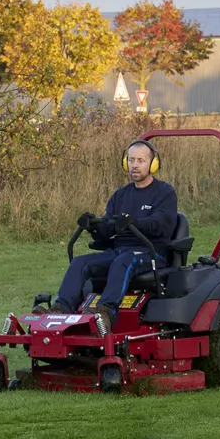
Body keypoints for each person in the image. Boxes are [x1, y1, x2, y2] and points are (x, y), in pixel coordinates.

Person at [47, 138, 178, 331]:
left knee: (124, 260)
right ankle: (61, 311)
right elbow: (107, 230)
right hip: (120, 251)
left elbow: (161, 224)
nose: (135, 165)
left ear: (153, 164)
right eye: (131, 160)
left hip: (151, 253)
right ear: (126, 162)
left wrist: (135, 222)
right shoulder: (121, 195)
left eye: (141, 161)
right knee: (80, 262)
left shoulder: (165, 193)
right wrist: (93, 226)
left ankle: (106, 313)